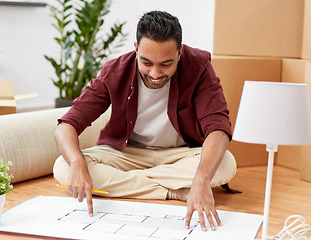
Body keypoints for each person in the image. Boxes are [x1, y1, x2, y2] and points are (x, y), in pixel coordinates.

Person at [53, 10, 237, 231]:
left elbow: (217, 128)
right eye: (147, 62)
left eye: (166, 64)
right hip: (128, 153)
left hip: (179, 154)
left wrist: (201, 177)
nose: (155, 73)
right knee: (63, 166)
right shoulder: (114, 71)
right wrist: (77, 164)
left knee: (225, 163)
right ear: (136, 49)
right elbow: (67, 125)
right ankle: (173, 192)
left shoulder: (199, 67)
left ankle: (128, 183)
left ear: (179, 52)